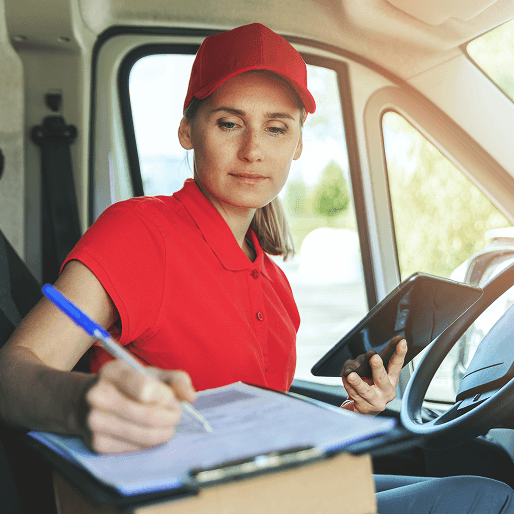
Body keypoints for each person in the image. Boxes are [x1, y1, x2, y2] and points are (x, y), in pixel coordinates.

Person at [0, 22, 511, 514]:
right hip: (181, 501)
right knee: (488, 498)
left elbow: (263, 433)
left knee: (474, 484)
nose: (252, 150)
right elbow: (11, 374)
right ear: (187, 130)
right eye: (229, 123)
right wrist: (83, 404)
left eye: (276, 128)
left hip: (265, 488)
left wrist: (355, 413)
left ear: (298, 144)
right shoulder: (139, 233)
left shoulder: (274, 284)